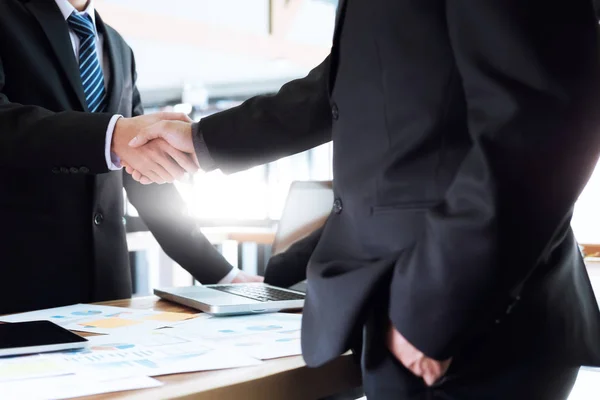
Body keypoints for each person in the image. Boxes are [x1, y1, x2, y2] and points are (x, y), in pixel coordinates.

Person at [127, 1, 600, 398]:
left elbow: (541, 121)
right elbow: (343, 81)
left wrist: (435, 310)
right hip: (412, 306)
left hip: (463, 317)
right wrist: (203, 141)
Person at [0, 0, 261, 315]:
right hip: (21, 286)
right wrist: (110, 135)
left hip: (109, 291)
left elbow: (144, 180)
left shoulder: (119, 48)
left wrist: (223, 275)